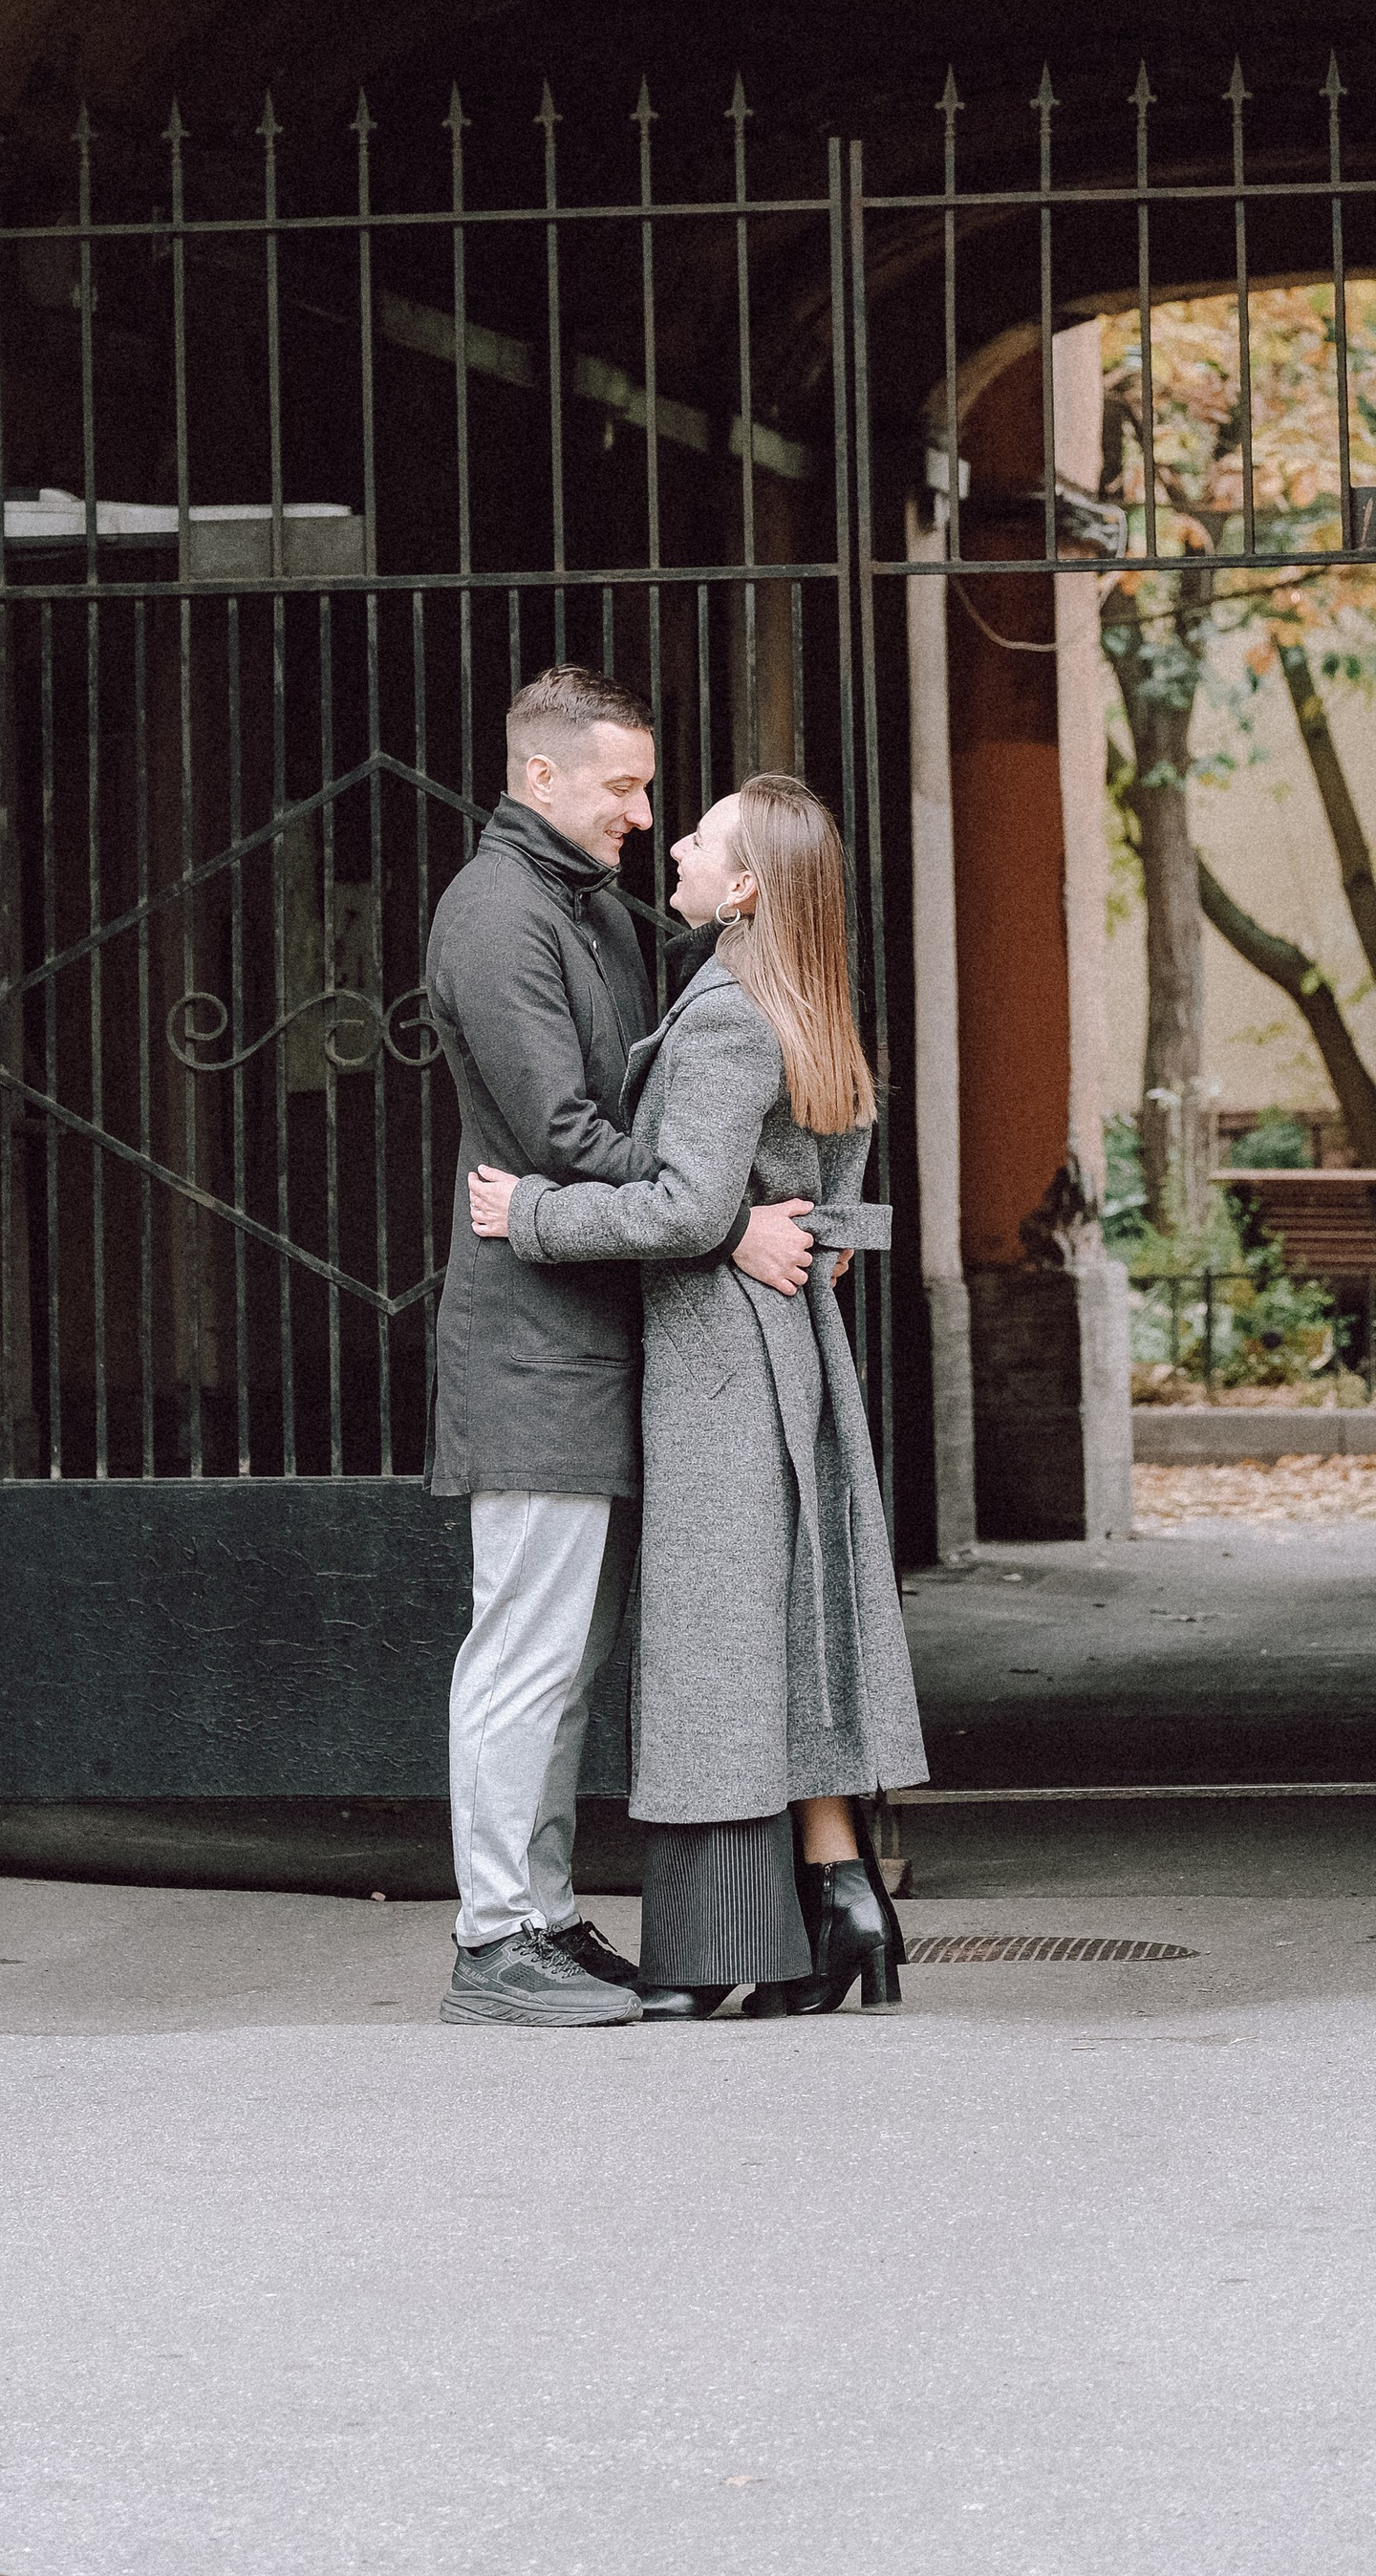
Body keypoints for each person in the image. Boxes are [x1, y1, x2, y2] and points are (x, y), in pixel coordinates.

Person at [469, 771, 927, 2019]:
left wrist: (536, 1213)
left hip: (722, 1365)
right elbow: (839, 1207)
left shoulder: (728, 1015)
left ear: (747, 887)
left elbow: (680, 1201)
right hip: (795, 1353)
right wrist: (795, 1232)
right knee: (774, 1631)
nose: (673, 839)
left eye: (704, 836)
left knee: (710, 1654)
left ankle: (721, 1947)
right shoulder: (808, 1005)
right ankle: (839, 1904)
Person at [424, 670, 820, 2029]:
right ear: (543, 780)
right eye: (623, 788)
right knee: (522, 1649)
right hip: (531, 1347)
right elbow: (563, 1142)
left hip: (594, 1331)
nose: (644, 816)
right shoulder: (495, 918)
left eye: (653, 792)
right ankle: (493, 1940)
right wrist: (717, 1227)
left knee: (566, 1659)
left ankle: (539, 1915)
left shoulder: (584, 911)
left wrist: (701, 1214)